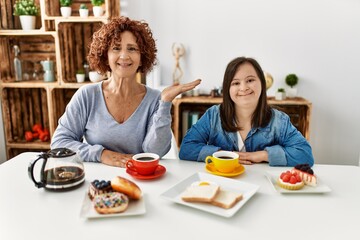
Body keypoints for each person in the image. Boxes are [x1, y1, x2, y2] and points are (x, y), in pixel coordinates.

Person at [51, 17, 201, 167]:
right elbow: (59, 143)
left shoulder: (155, 99)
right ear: (106, 55)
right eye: (116, 48)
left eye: (132, 49)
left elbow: (155, 151)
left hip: (140, 180)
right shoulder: (87, 96)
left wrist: (165, 102)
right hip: (96, 181)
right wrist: (102, 154)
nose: (124, 56)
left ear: (142, 58)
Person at [179, 57, 314, 167]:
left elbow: (305, 154)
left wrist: (261, 155)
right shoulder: (213, 116)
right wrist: (223, 155)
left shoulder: (279, 121)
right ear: (227, 89)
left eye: (250, 80)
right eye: (236, 83)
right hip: (223, 182)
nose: (243, 88)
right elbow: (186, 148)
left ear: (262, 83)